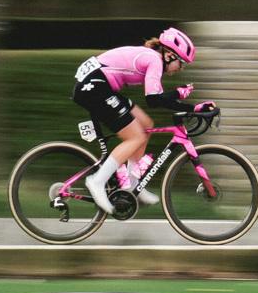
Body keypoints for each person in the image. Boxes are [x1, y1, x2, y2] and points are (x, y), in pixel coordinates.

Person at [71, 27, 216, 210]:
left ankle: (131, 182)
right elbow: (154, 100)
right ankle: (97, 182)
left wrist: (180, 95)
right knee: (136, 137)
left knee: (146, 124)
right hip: (95, 87)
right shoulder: (154, 59)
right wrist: (194, 107)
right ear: (170, 55)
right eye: (181, 63)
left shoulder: (152, 58)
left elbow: (157, 97)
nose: (180, 68)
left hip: (100, 85)